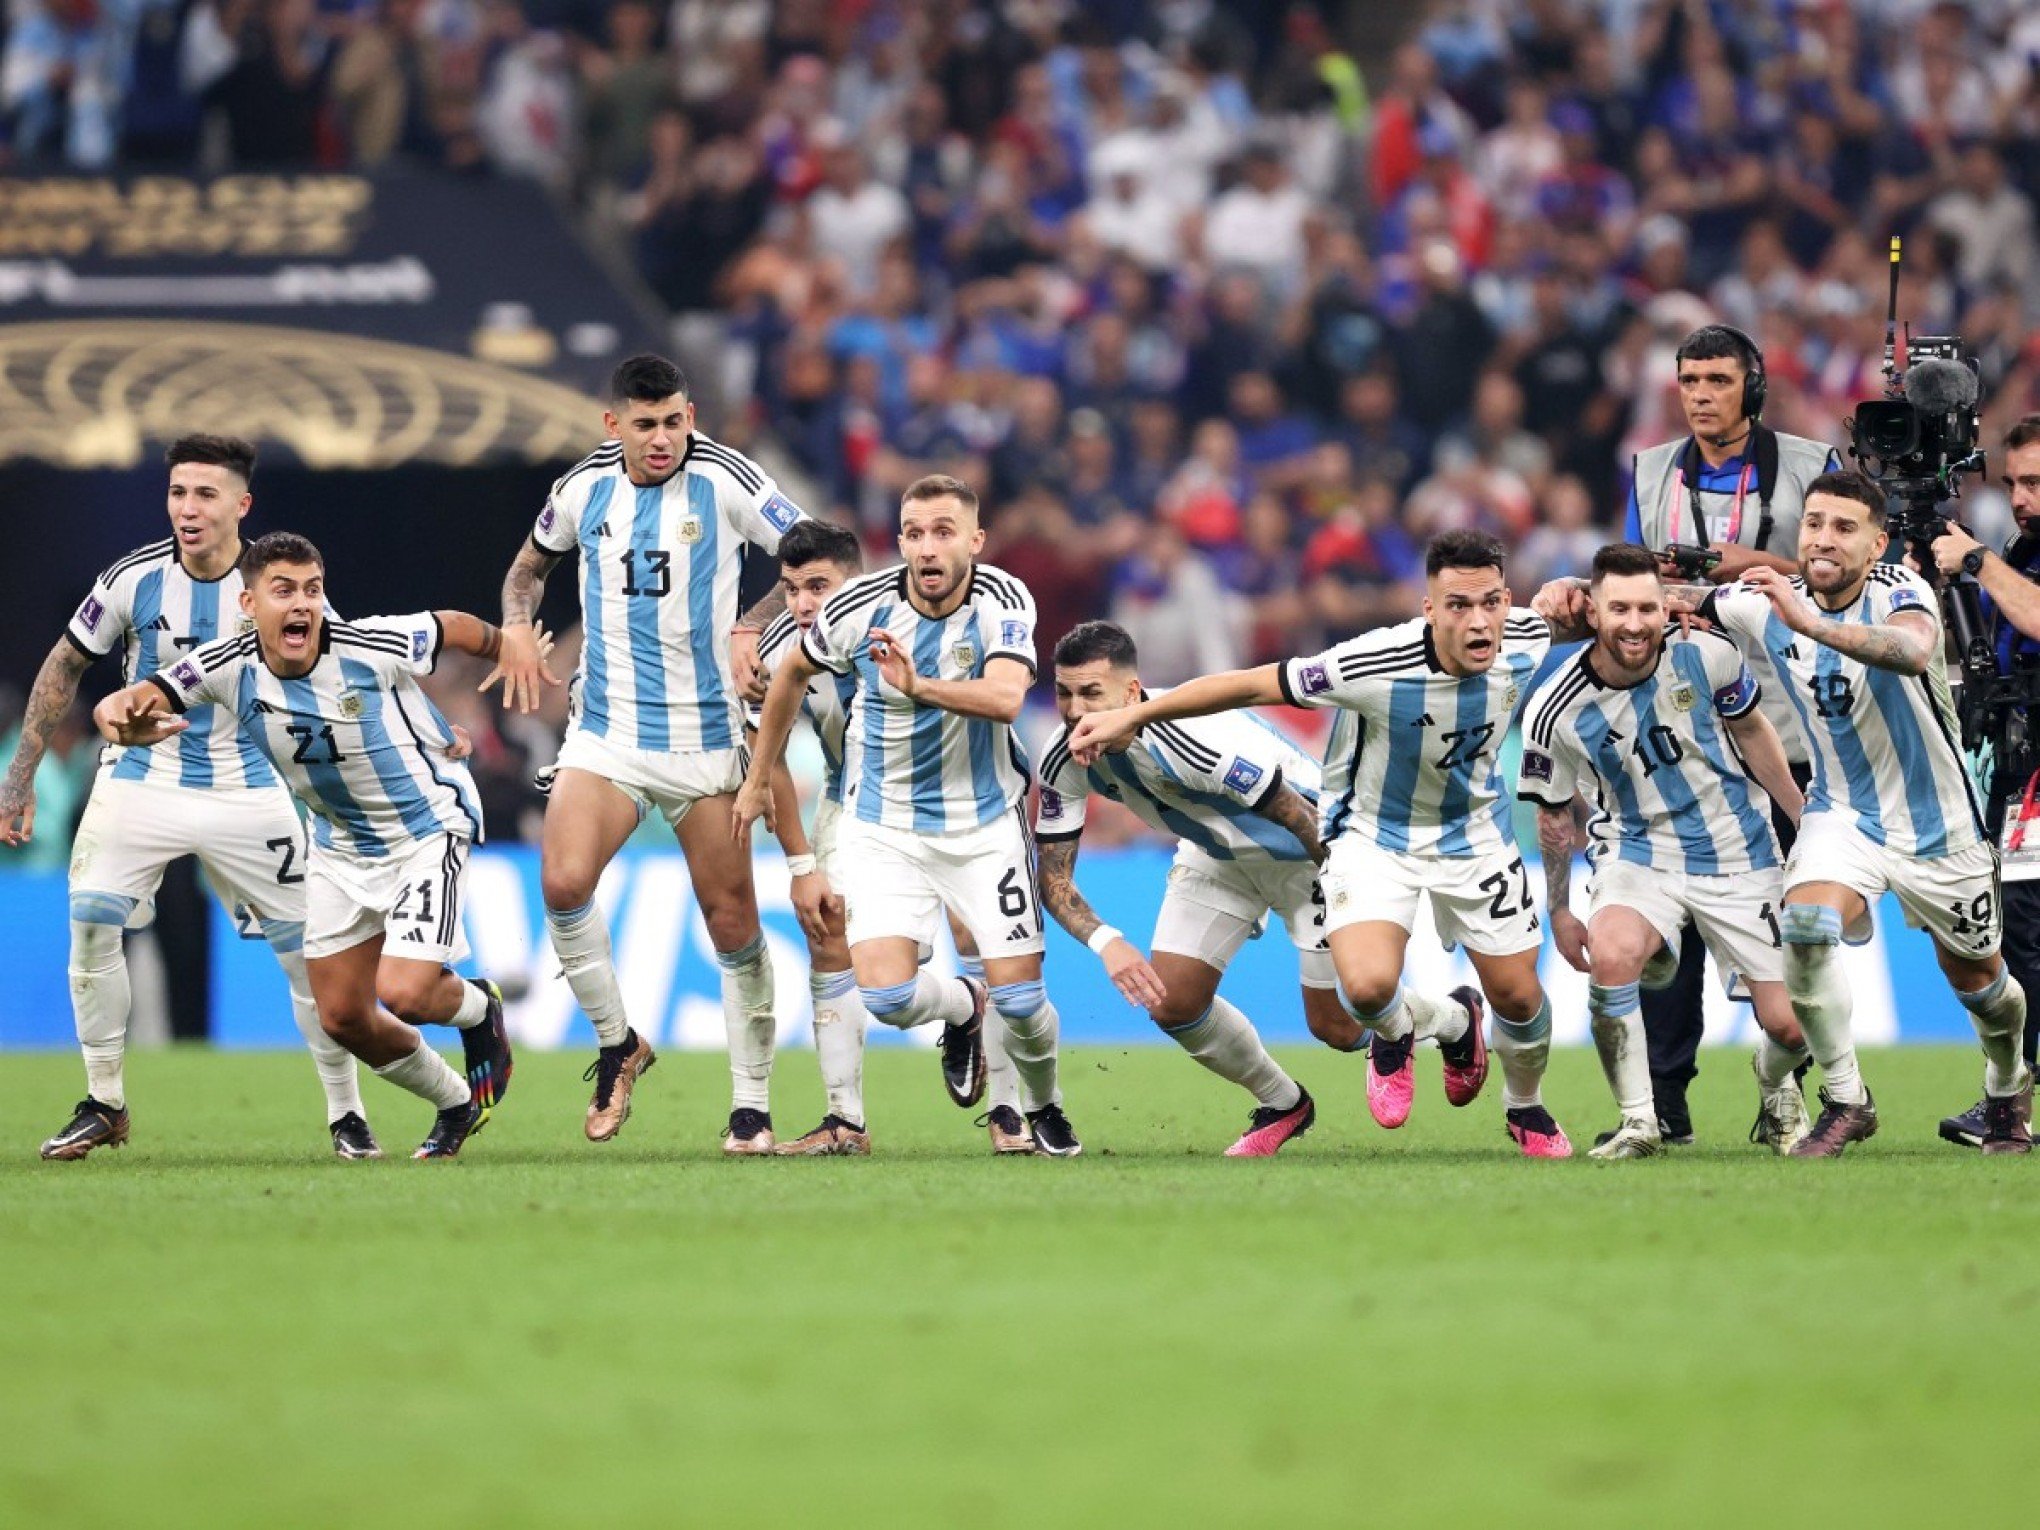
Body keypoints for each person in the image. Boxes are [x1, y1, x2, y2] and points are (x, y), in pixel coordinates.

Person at [1070, 530, 1571, 1159]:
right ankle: (1295, 1095)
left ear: (1508, 601)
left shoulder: (1525, 636)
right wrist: (1136, 716)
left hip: (1380, 839)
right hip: (1335, 840)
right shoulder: (1375, 661)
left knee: (1458, 1006)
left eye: (1491, 603)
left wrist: (1617, 595)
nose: (1478, 621)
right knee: (1301, 997)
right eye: (1458, 605)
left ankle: (1495, 1071)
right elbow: (1255, 682)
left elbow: (1601, 615)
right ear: (1429, 608)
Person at [2, 436, 374, 1161]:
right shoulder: (132, 579)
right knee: (91, 921)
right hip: (144, 779)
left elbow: (341, 672)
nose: (187, 508)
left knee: (310, 957)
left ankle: (346, 1114)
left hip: (251, 786)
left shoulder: (280, 580)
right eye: (177, 492)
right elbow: (65, 662)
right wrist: (20, 776)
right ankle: (104, 1100)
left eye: (206, 494)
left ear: (243, 504)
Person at [91, 532, 521, 1160]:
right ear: (248, 602)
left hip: (425, 830)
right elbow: (139, 696)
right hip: (340, 846)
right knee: (342, 1018)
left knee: (405, 993)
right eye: (284, 590)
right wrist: (118, 717)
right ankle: (455, 1102)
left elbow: (450, 625)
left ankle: (480, 1009)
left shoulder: (368, 643)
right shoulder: (224, 664)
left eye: (313, 591)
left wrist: (509, 647)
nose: (302, 605)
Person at [488, 354, 807, 1150]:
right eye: (645, 425)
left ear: (689, 416)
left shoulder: (729, 478)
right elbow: (526, 573)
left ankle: (751, 1105)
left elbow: (815, 560)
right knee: (562, 882)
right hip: (609, 731)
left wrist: (751, 620)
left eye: (674, 422)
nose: (662, 439)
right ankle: (617, 1043)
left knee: (731, 923)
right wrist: (519, 628)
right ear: (614, 426)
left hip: (705, 736)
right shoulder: (582, 488)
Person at [734, 474, 1082, 1157]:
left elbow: (1009, 698)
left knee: (1022, 1001)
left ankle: (1037, 1104)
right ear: (899, 543)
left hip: (984, 821)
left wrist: (919, 686)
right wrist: (753, 782)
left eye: (944, 532)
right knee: (889, 997)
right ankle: (962, 1008)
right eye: (915, 533)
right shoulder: (855, 609)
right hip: (883, 824)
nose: (928, 547)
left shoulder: (1004, 599)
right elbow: (790, 677)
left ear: (975, 542)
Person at [1699, 471, 2031, 1155]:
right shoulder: (1766, 600)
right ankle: (1848, 1097)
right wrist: (1580, 599)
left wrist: (1812, 625)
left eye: (1844, 528)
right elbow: (1677, 601)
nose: (1824, 538)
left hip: (1938, 825)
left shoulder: (1901, 592)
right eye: (1815, 523)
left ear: (1877, 542)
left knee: (1982, 985)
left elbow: (1909, 648)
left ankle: (2007, 1083)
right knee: (1809, 926)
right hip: (1842, 812)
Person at [1520, 543, 1812, 1159]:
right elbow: (1551, 814)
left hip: (1740, 849)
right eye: (1619, 608)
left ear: (1666, 608)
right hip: (1637, 852)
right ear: (1592, 612)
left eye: (1647, 608)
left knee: (1791, 1023)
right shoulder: (1553, 708)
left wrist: (1800, 818)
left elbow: (1754, 730)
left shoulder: (1708, 653)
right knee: (1613, 956)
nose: (1634, 623)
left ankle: (1773, 1076)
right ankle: (1639, 1121)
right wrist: (1560, 909)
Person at [1620, 324, 1838, 1143]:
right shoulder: (1647, 473)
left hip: (1789, 725)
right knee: (1668, 930)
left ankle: (1787, 1087)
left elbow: (1851, 574)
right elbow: (1622, 580)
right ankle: (1665, 1102)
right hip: (1678, 729)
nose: (1701, 394)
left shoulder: (1816, 467)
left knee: (1794, 928)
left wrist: (1761, 565)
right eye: (1689, 380)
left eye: (1717, 379)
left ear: (1754, 385)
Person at [1033, 620, 1327, 1157]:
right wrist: (1108, 942)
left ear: (1131, 693)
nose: (1075, 711)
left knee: (1342, 1026)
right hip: (1215, 854)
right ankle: (1284, 1103)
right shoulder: (1062, 756)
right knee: (1173, 1004)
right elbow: (1052, 876)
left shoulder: (1184, 734)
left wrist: (1348, 881)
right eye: (1064, 693)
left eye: (1091, 694)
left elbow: (1294, 812)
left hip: (1304, 851)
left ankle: (1449, 1020)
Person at [1924, 415, 2040, 1145]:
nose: (2021, 498)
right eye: (2013, 483)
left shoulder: (2006, 563)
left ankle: (2010, 1103)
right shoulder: (2023, 552)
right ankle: (2010, 1103)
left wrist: (1974, 565)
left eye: (2035, 482)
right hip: (2019, 763)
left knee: (2027, 933)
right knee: (2019, 931)